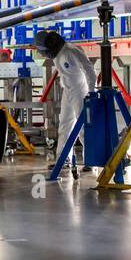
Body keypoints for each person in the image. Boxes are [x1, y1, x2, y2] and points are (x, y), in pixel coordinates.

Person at [34, 30, 96, 163]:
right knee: (65, 125)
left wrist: (91, 92)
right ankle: (63, 159)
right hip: (68, 91)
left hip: (80, 92)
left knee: (84, 127)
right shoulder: (58, 54)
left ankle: (91, 161)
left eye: (43, 51)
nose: (44, 54)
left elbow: (89, 69)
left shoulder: (71, 51)